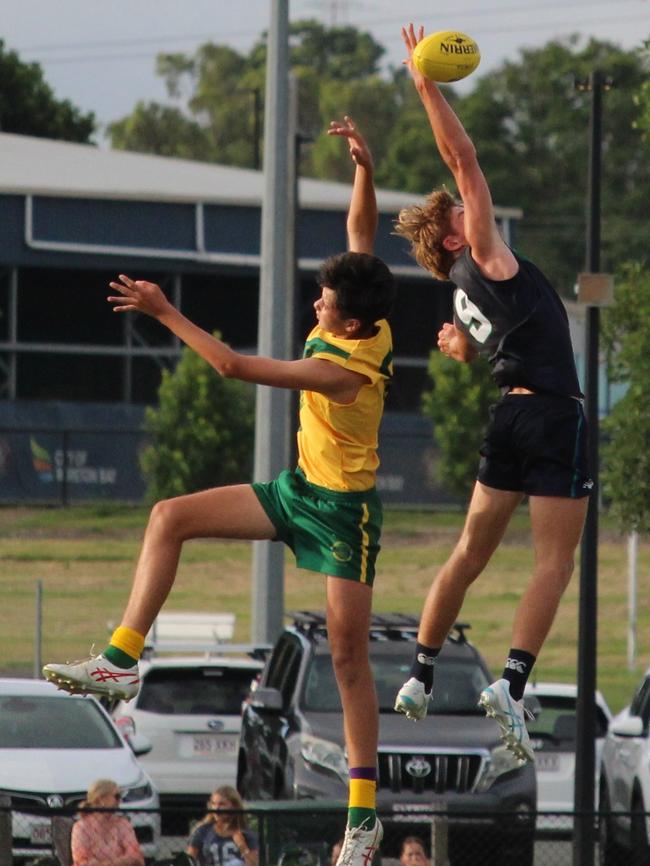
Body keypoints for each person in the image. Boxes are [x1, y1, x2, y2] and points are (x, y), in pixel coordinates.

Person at [43, 118, 392, 864]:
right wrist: (364, 167)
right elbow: (361, 231)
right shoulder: (362, 301)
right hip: (298, 489)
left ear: (352, 321)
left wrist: (165, 311)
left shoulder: (347, 367)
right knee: (170, 517)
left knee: (348, 658)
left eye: (326, 302)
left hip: (343, 514)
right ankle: (118, 659)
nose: (317, 304)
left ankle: (363, 819)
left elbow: (232, 368)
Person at [392, 24, 592, 764]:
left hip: (506, 413)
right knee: (554, 563)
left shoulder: (461, 286)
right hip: (549, 415)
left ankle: (419, 672)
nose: (468, 209)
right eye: (457, 213)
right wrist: (425, 84)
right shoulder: (482, 253)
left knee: (470, 552)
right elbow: (462, 156)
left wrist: (458, 345)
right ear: (452, 238)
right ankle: (512, 681)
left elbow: (469, 340)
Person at [71, 779, 144, 866]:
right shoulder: (81, 827)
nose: (120, 801)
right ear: (101, 800)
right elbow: (82, 862)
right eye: (117, 796)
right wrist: (122, 862)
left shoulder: (122, 824)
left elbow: (135, 856)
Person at [186, 786, 257, 866]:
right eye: (213, 804)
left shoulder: (245, 833)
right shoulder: (202, 831)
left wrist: (242, 846)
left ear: (234, 806)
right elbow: (189, 859)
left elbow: (254, 864)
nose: (217, 808)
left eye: (222, 804)